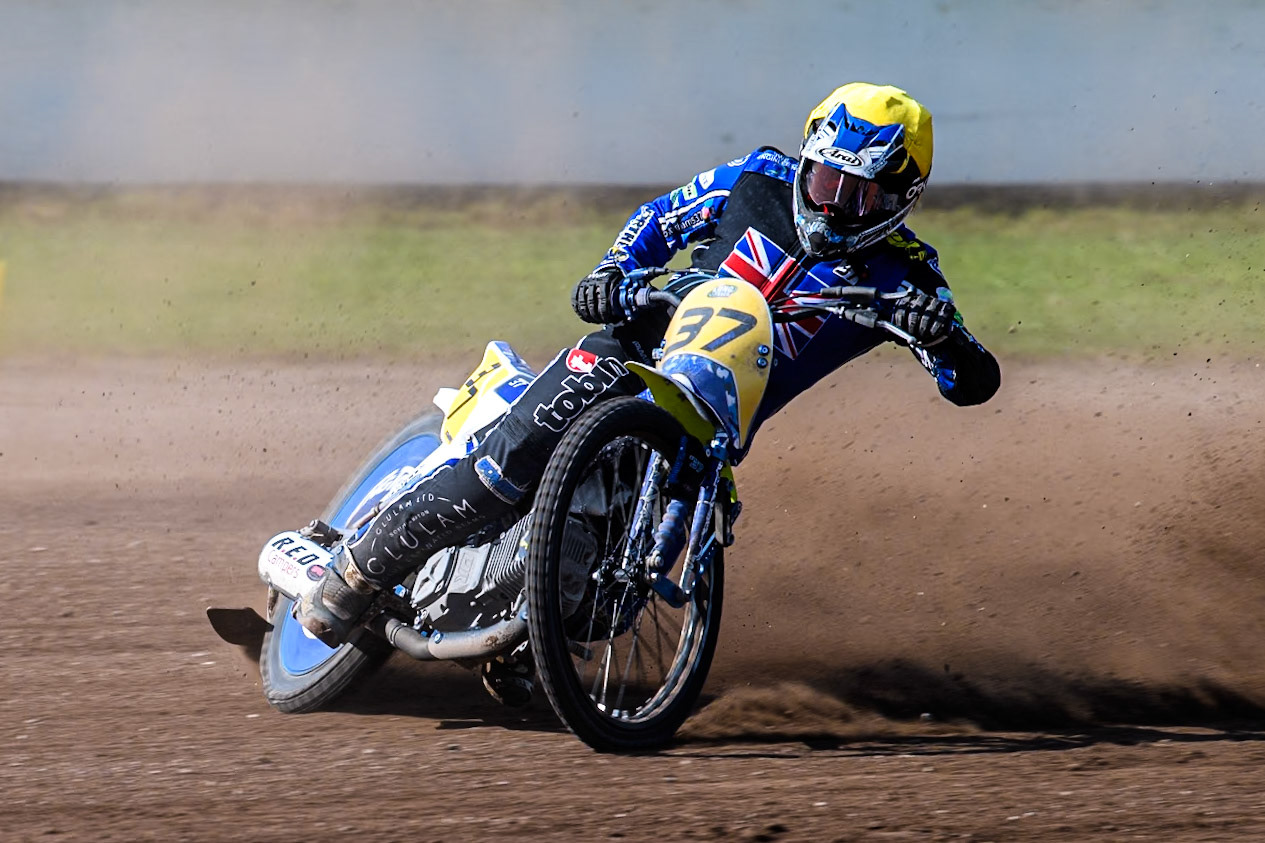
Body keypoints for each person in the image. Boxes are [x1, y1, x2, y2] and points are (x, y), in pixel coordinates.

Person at [296, 82, 1001, 705]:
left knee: (619, 593)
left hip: (709, 430)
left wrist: (943, 337)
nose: (835, 203)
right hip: (631, 351)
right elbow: (661, 218)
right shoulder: (756, 178)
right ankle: (354, 572)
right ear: (806, 159)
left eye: (860, 194)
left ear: (901, 197)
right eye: (825, 181)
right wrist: (611, 272)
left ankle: (536, 635)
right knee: (502, 467)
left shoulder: (909, 276)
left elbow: (971, 383)